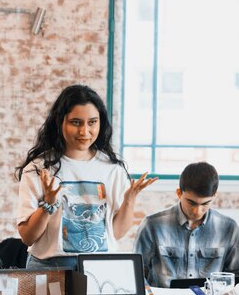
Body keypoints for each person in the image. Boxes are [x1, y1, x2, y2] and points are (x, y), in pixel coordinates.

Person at [15, 84, 157, 270]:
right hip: (50, 267)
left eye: (92, 122)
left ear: (100, 122)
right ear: (60, 122)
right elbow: (28, 237)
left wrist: (129, 201)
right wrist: (48, 205)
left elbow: (115, 233)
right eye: (76, 122)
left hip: (100, 269)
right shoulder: (38, 169)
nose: (84, 131)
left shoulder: (112, 169)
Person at [133, 162, 239, 288]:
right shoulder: (152, 225)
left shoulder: (229, 228)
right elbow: (135, 272)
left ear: (215, 196)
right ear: (179, 193)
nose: (197, 211)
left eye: (205, 203)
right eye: (191, 203)